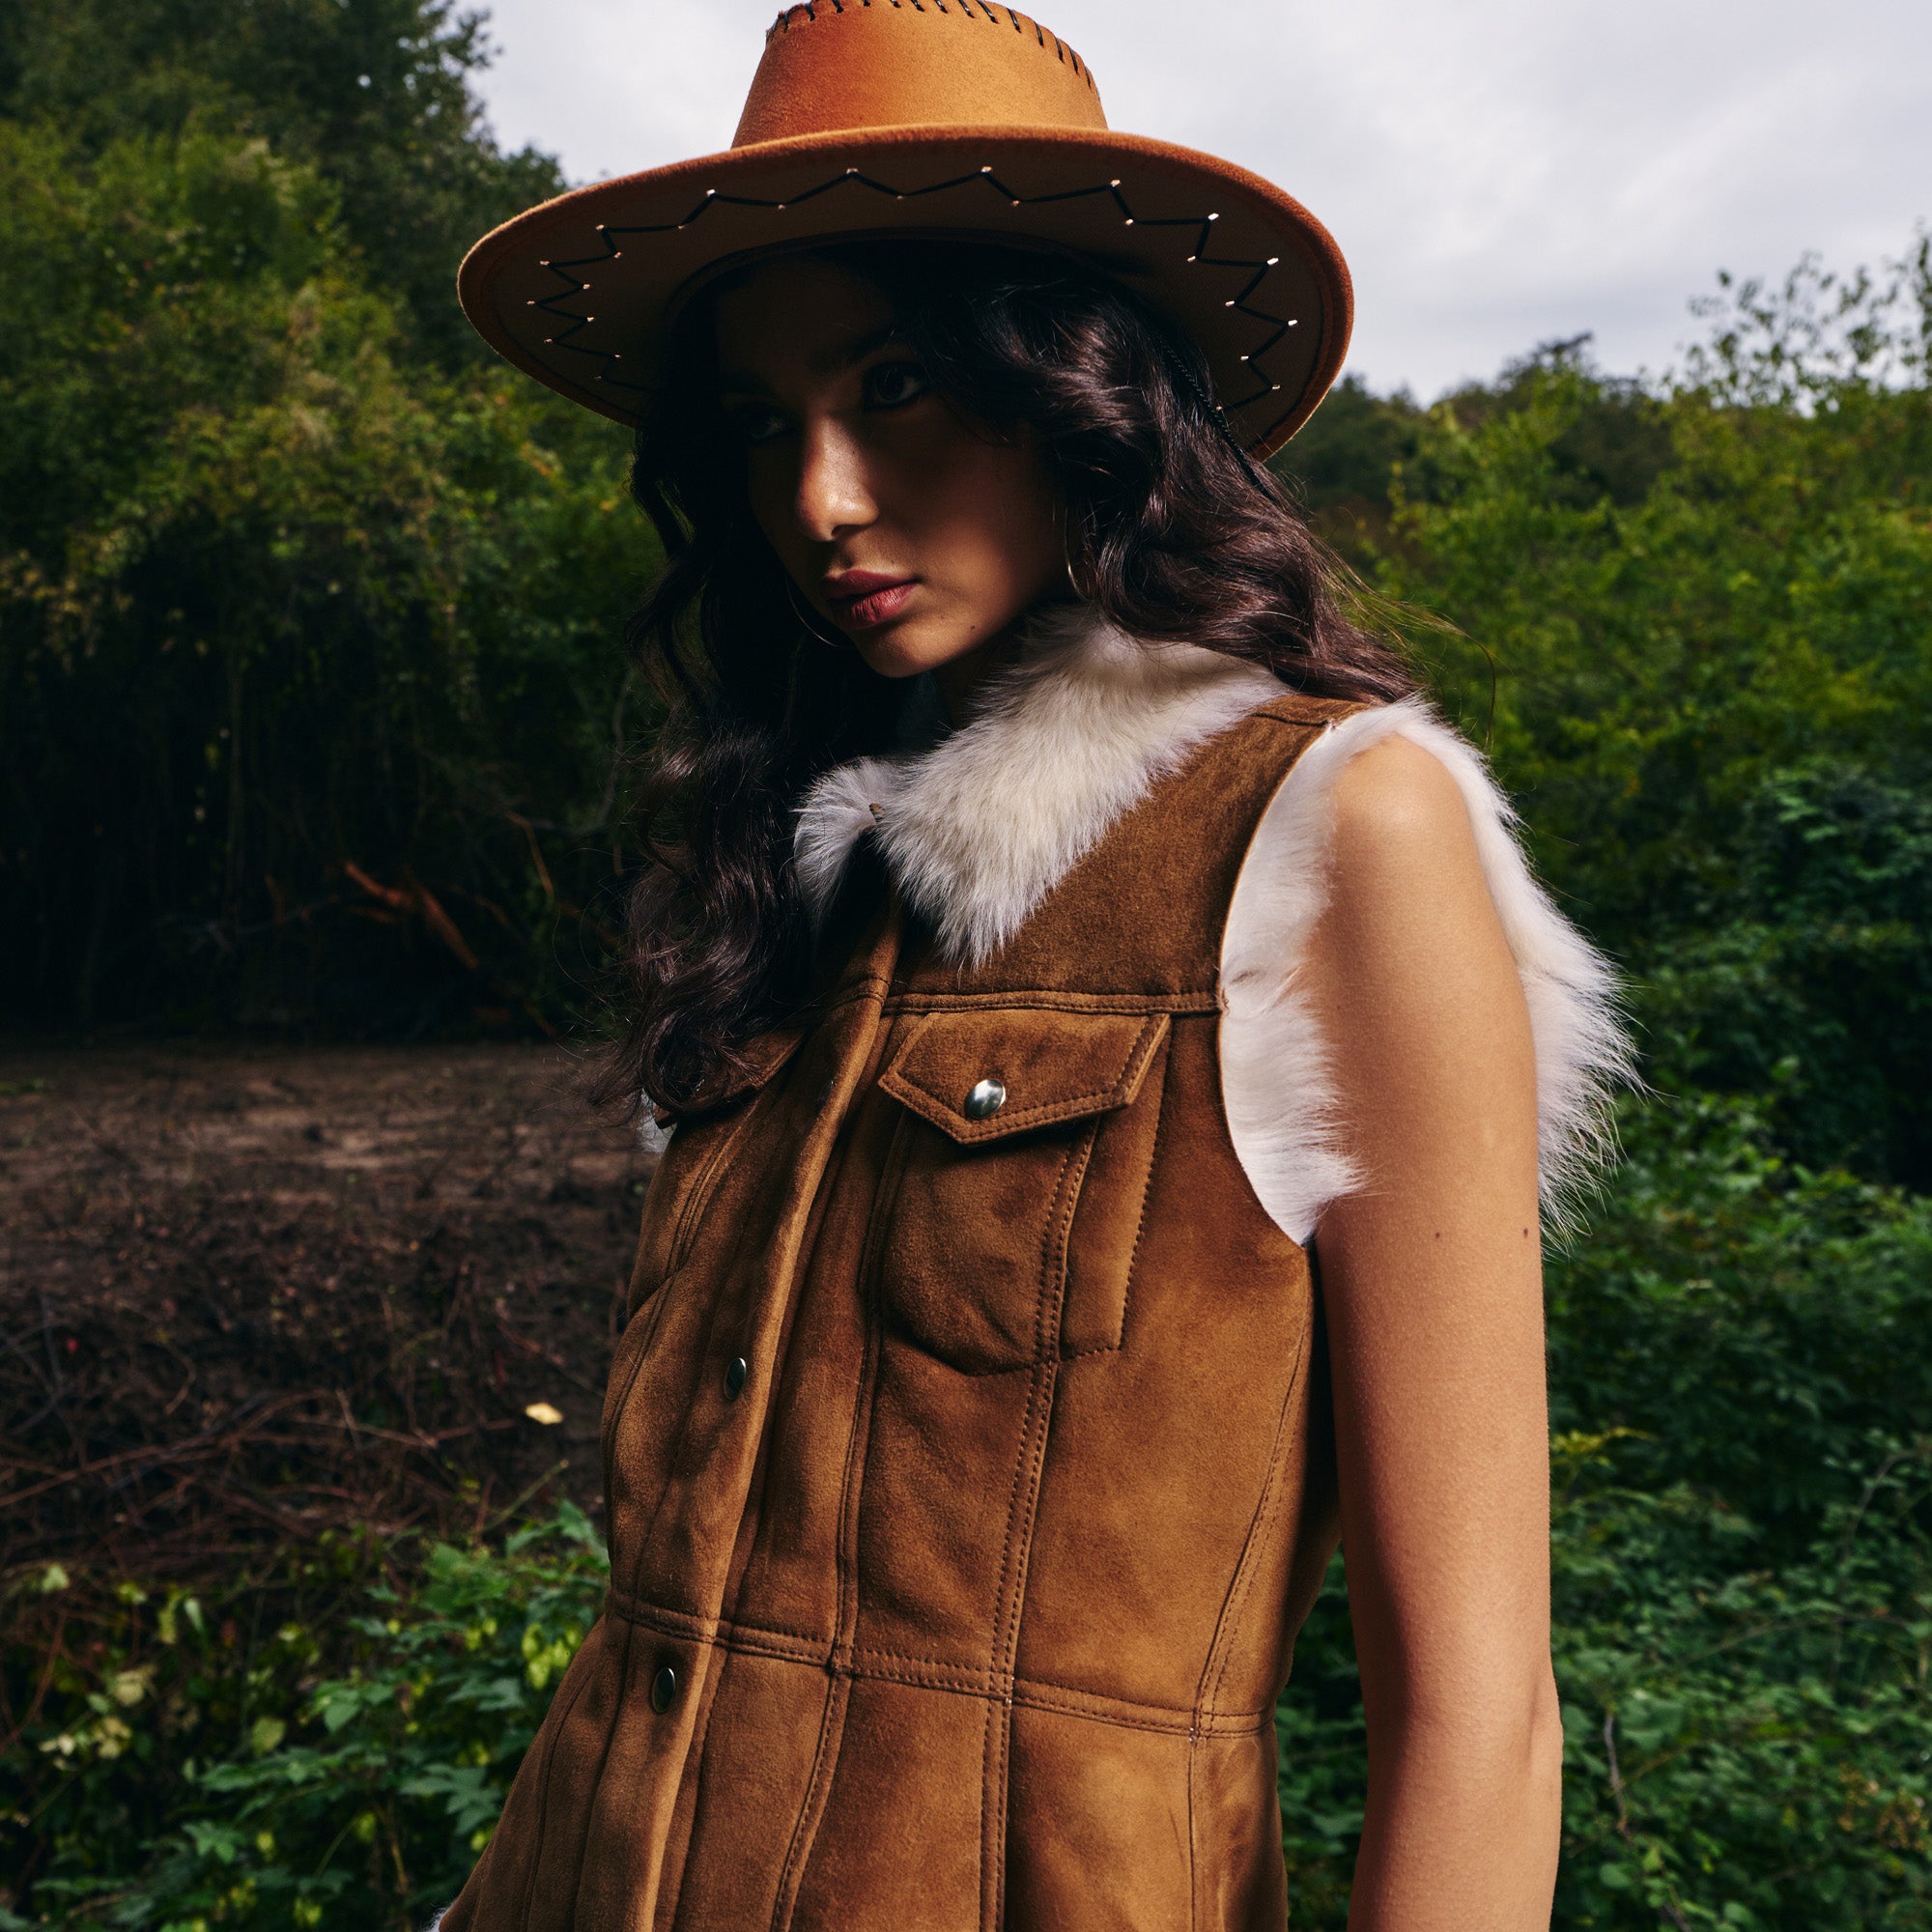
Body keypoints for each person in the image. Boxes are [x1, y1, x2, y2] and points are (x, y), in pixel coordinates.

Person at [439, 7, 1629, 1929]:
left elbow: (1478, 1717)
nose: (819, 497)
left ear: (1083, 390)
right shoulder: (800, 875)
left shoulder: (1338, 828)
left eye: (895, 381)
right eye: (760, 422)